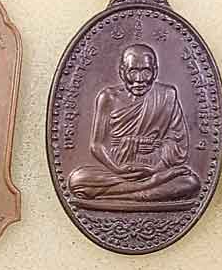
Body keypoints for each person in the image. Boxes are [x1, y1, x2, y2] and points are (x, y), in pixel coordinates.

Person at [68, 44, 199, 203]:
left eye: (146, 72)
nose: (139, 79)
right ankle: (145, 192)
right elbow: (97, 145)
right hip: (117, 170)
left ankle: (122, 195)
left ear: (155, 71)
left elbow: (178, 143)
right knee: (77, 179)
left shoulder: (167, 95)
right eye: (133, 72)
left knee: (190, 182)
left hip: (154, 168)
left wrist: (156, 168)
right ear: (122, 72)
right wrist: (117, 169)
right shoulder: (108, 97)